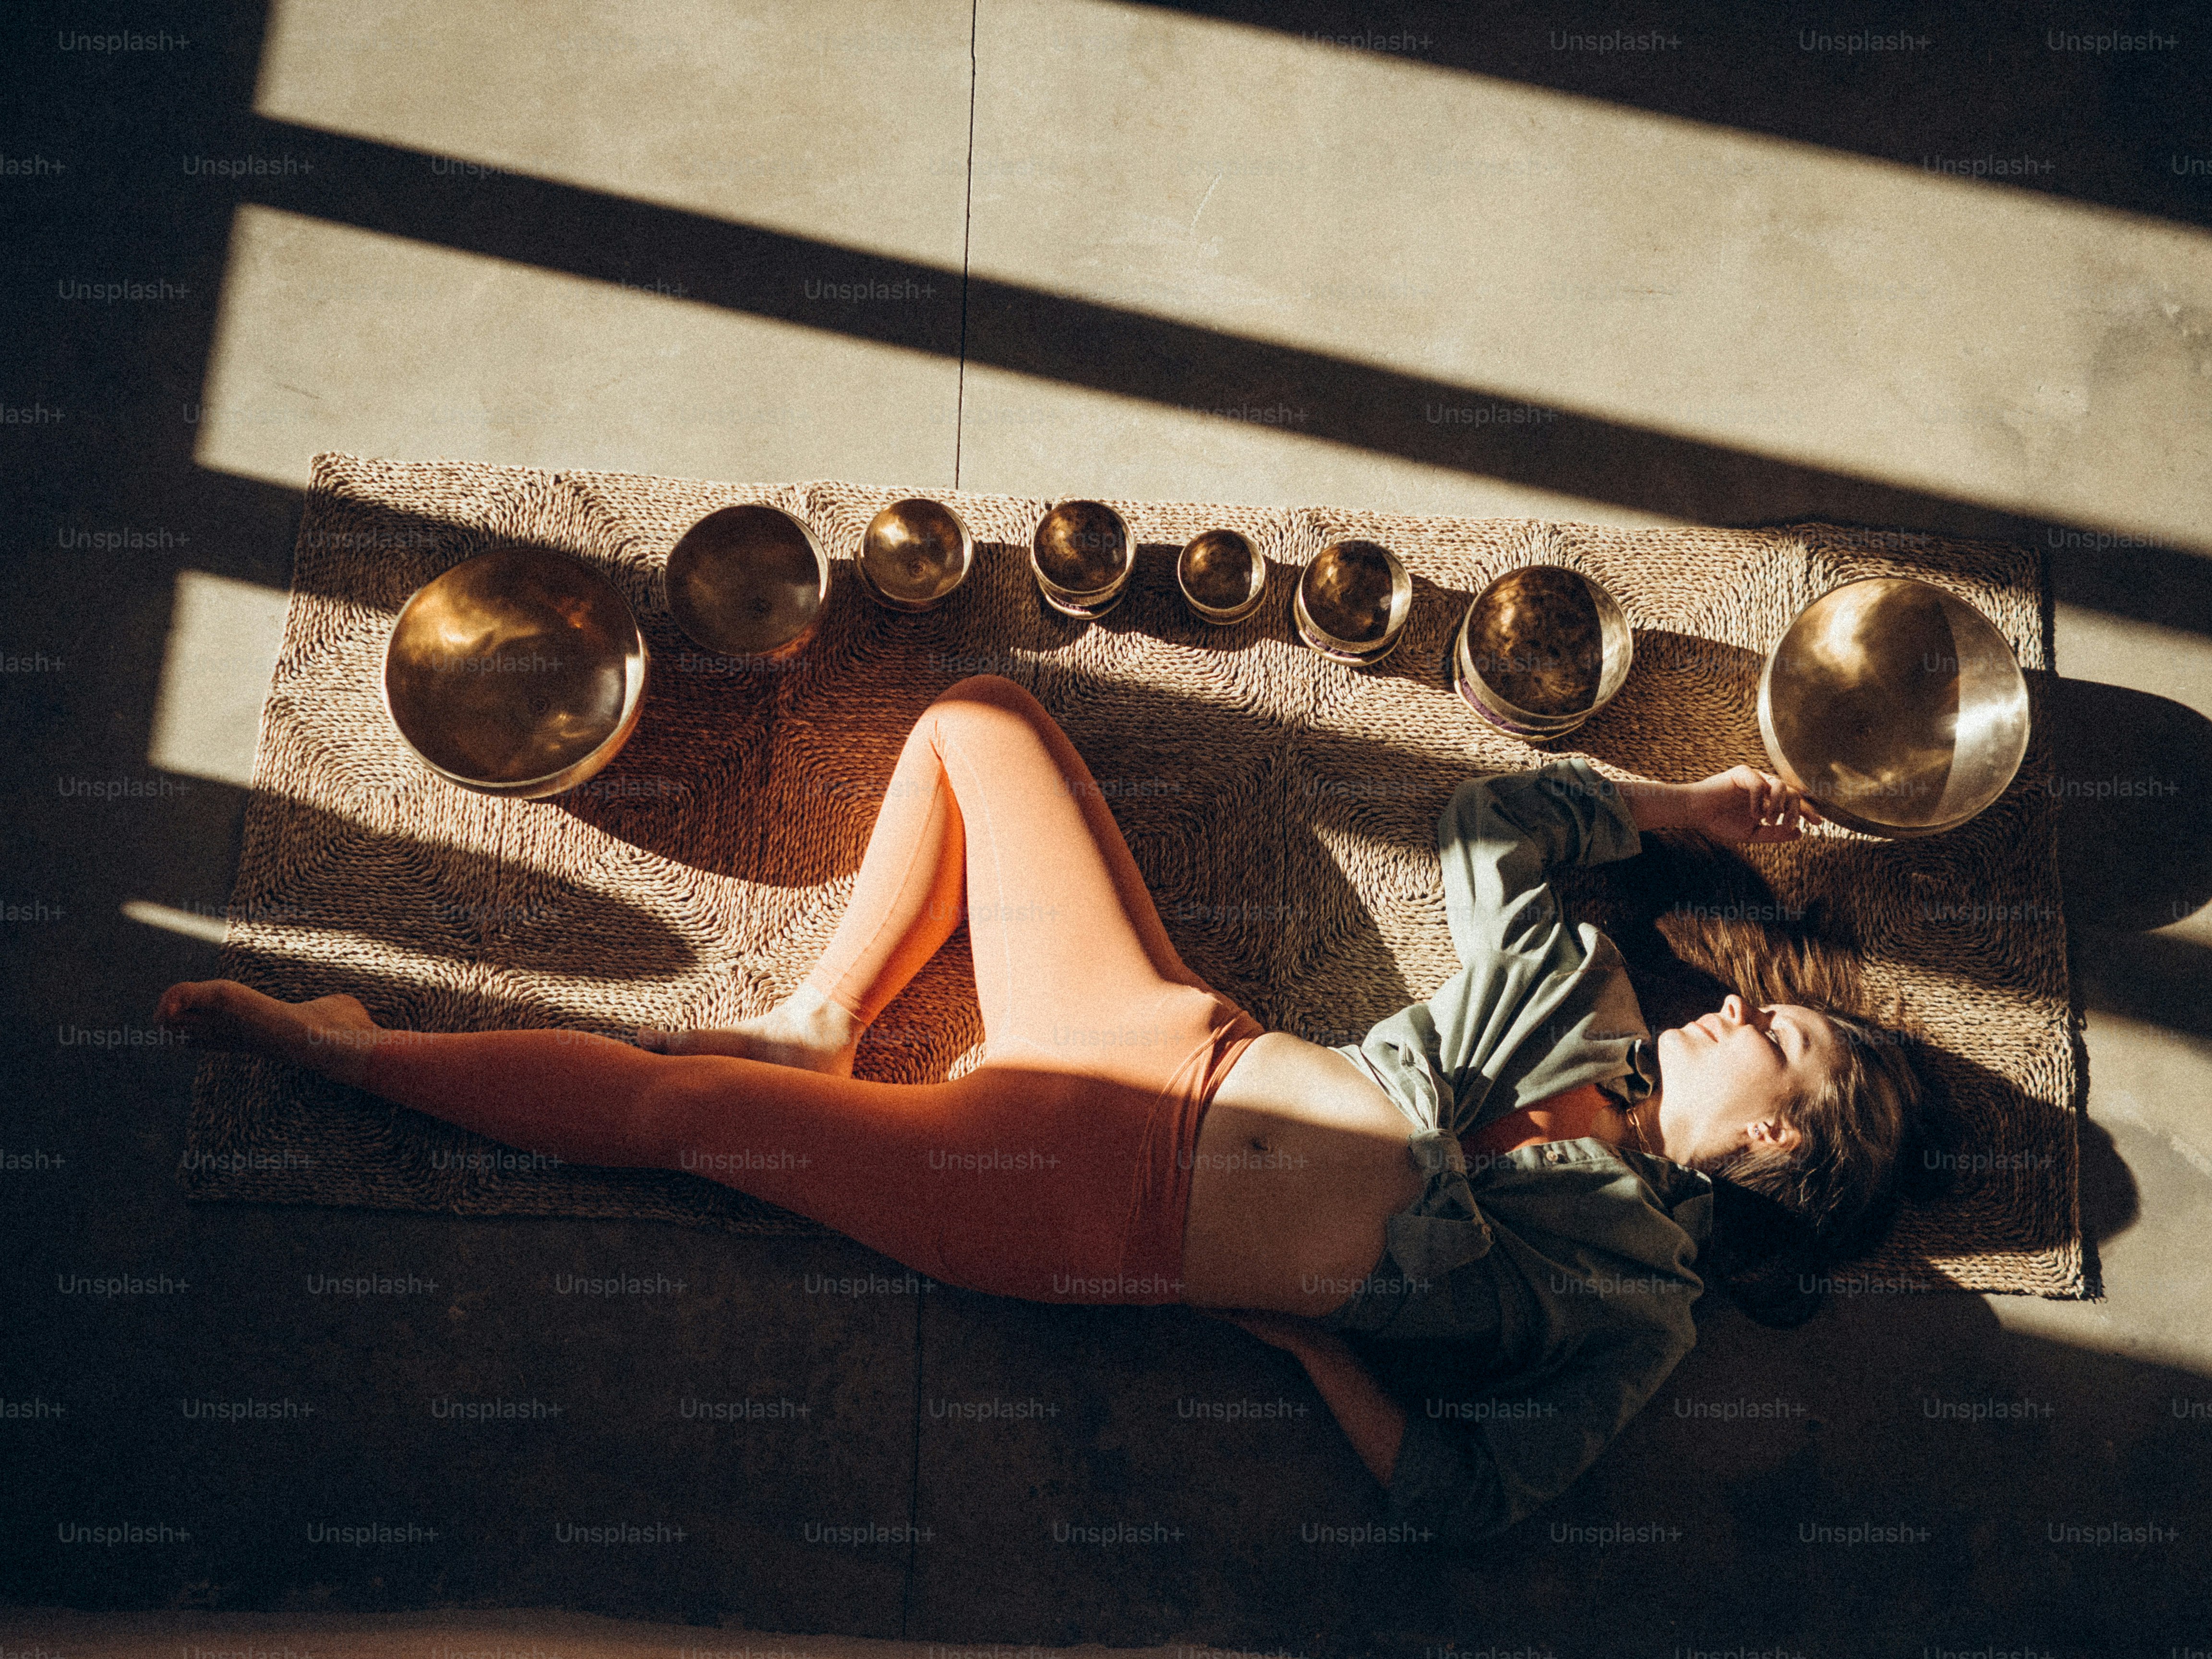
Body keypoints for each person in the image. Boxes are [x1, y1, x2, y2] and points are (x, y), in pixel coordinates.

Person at [156, 672, 1947, 1547]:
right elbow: (1493, 828)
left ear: (1785, 1149)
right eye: (1758, 1001)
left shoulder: (1640, 1317)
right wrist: (1686, 814)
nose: (1739, 1007)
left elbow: (1473, 1501)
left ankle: (352, 1054)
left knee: (673, 1123)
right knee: (972, 720)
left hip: (1092, 1225)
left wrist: (1307, 1354)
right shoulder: (1592, 1008)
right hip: (1165, 1039)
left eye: (1771, 1040)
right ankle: (819, 1017)